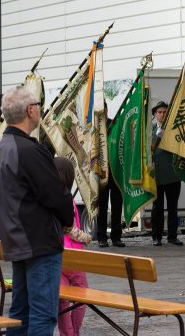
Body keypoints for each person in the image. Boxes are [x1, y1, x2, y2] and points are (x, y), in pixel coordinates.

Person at [0, 86, 74, 335]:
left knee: (20, 314)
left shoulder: (1, 149)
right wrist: (68, 220)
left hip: (17, 241)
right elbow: (55, 195)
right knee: (43, 316)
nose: (40, 109)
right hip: (39, 243)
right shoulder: (29, 150)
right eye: (38, 105)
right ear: (30, 110)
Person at [55, 156, 91, 336]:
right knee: (81, 297)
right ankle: (74, 332)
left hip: (58, 255)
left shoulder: (49, 198)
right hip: (75, 256)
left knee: (62, 300)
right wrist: (86, 238)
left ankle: (66, 333)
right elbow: (71, 229)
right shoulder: (66, 198)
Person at [151, 101, 183, 246]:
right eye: (160, 112)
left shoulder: (174, 130)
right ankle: (156, 237)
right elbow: (146, 151)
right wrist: (155, 138)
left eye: (165, 112)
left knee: (173, 207)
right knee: (157, 208)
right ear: (154, 114)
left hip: (172, 174)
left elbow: (180, 147)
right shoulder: (149, 131)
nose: (162, 114)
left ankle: (172, 236)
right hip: (156, 175)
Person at [97, 102, 125, 248]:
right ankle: (101, 237)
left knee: (117, 205)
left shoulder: (114, 124)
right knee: (101, 206)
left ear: (107, 110)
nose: (103, 111)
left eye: (104, 108)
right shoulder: (94, 128)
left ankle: (116, 237)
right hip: (100, 172)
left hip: (115, 171)